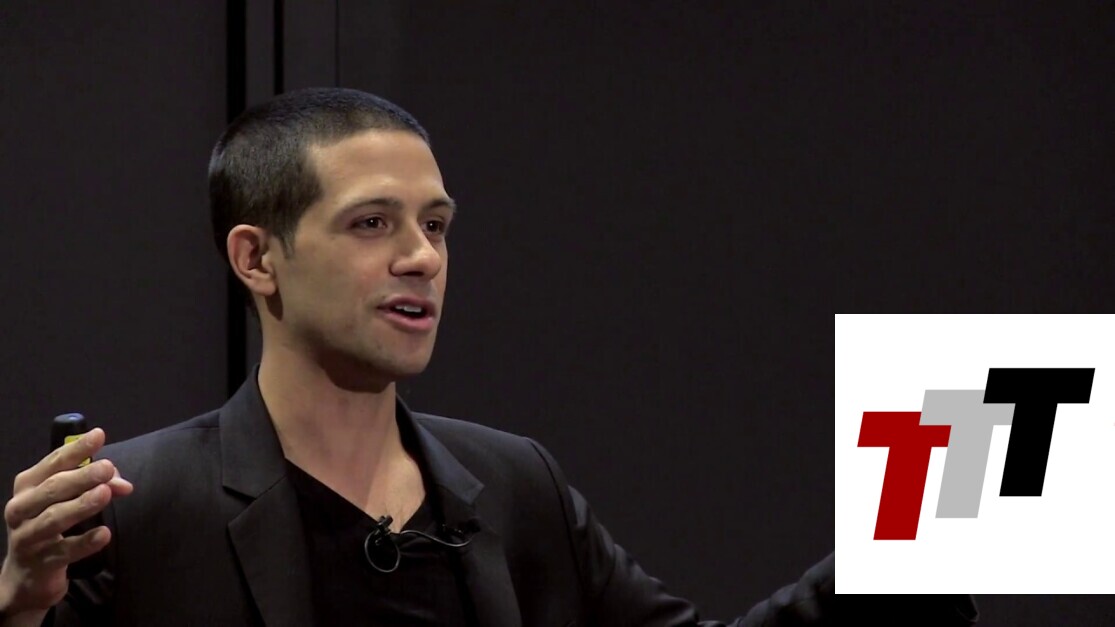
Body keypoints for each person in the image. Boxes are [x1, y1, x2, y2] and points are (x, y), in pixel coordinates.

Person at [0, 88, 978, 626]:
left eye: (434, 224)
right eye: (372, 223)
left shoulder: (516, 485)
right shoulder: (141, 509)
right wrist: (20, 612)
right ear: (257, 258)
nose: (421, 256)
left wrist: (932, 528)